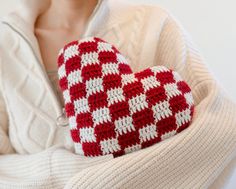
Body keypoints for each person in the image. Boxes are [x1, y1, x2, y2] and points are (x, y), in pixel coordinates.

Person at [0, 0, 235, 188]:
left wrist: (106, 180)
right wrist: (57, 170)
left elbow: (224, 126)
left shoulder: (154, 24)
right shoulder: (4, 43)